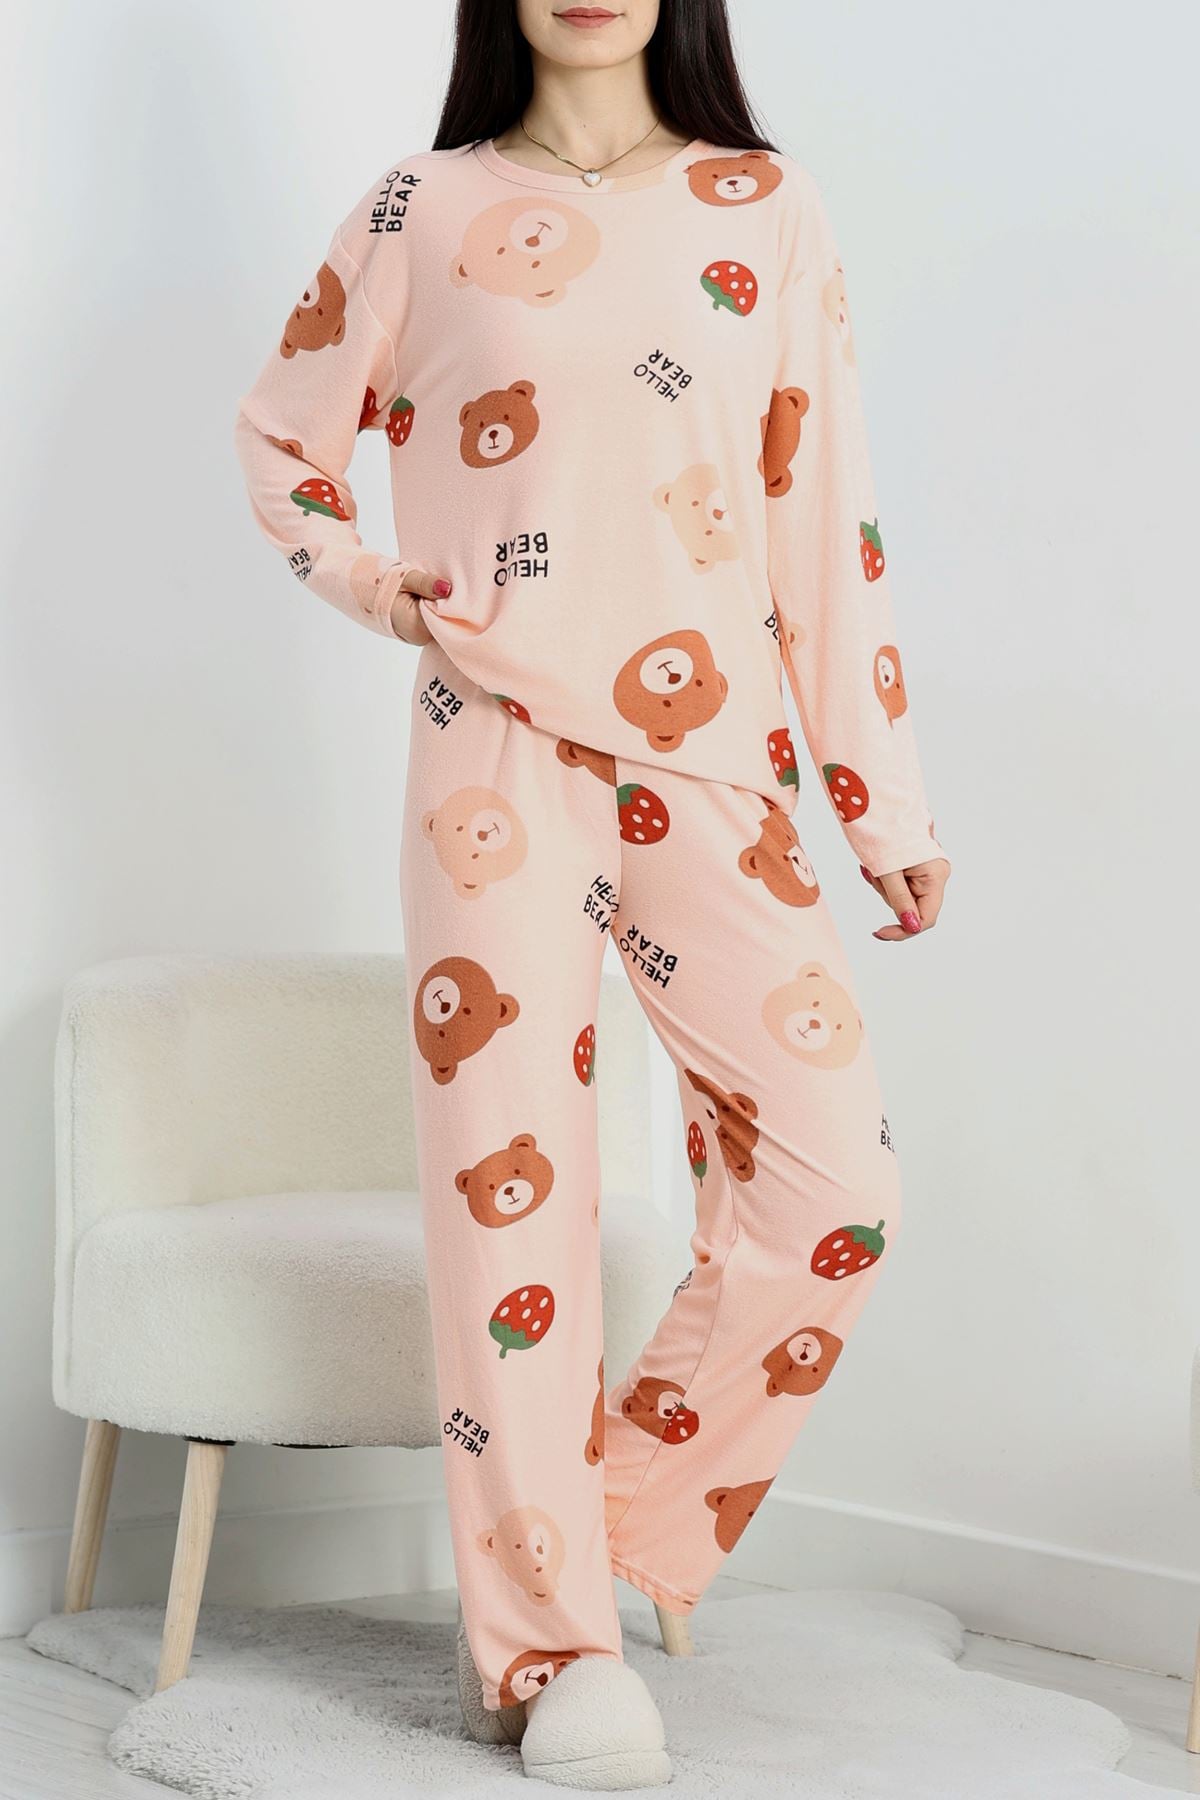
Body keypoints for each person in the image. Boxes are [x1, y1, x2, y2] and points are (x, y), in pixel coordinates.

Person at [234, 0, 951, 1785]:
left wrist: (878, 796)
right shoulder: (420, 208)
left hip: (714, 763)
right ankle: (547, 1649)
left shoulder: (761, 205)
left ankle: (598, 1535)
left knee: (834, 1182)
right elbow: (282, 442)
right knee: (513, 1206)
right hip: (493, 754)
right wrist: (381, 589)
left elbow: (822, 516)